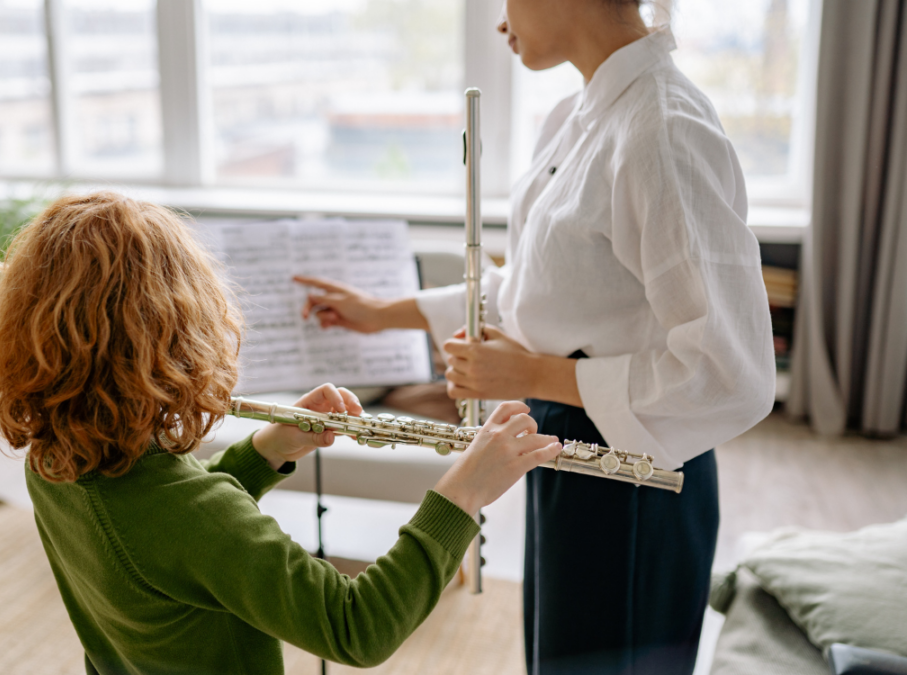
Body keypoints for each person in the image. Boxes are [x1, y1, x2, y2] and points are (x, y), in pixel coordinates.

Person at [294, 1, 776, 673]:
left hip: (637, 458)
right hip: (568, 438)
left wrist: (530, 376)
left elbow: (730, 370)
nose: (499, 21)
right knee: (560, 655)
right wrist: (382, 312)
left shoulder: (663, 132)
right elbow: (539, 285)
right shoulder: (579, 116)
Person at [0, 191, 562, 675]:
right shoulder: (186, 510)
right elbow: (356, 628)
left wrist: (269, 449)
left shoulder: (56, 458)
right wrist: (462, 494)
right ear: (175, 339)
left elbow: (166, 543)